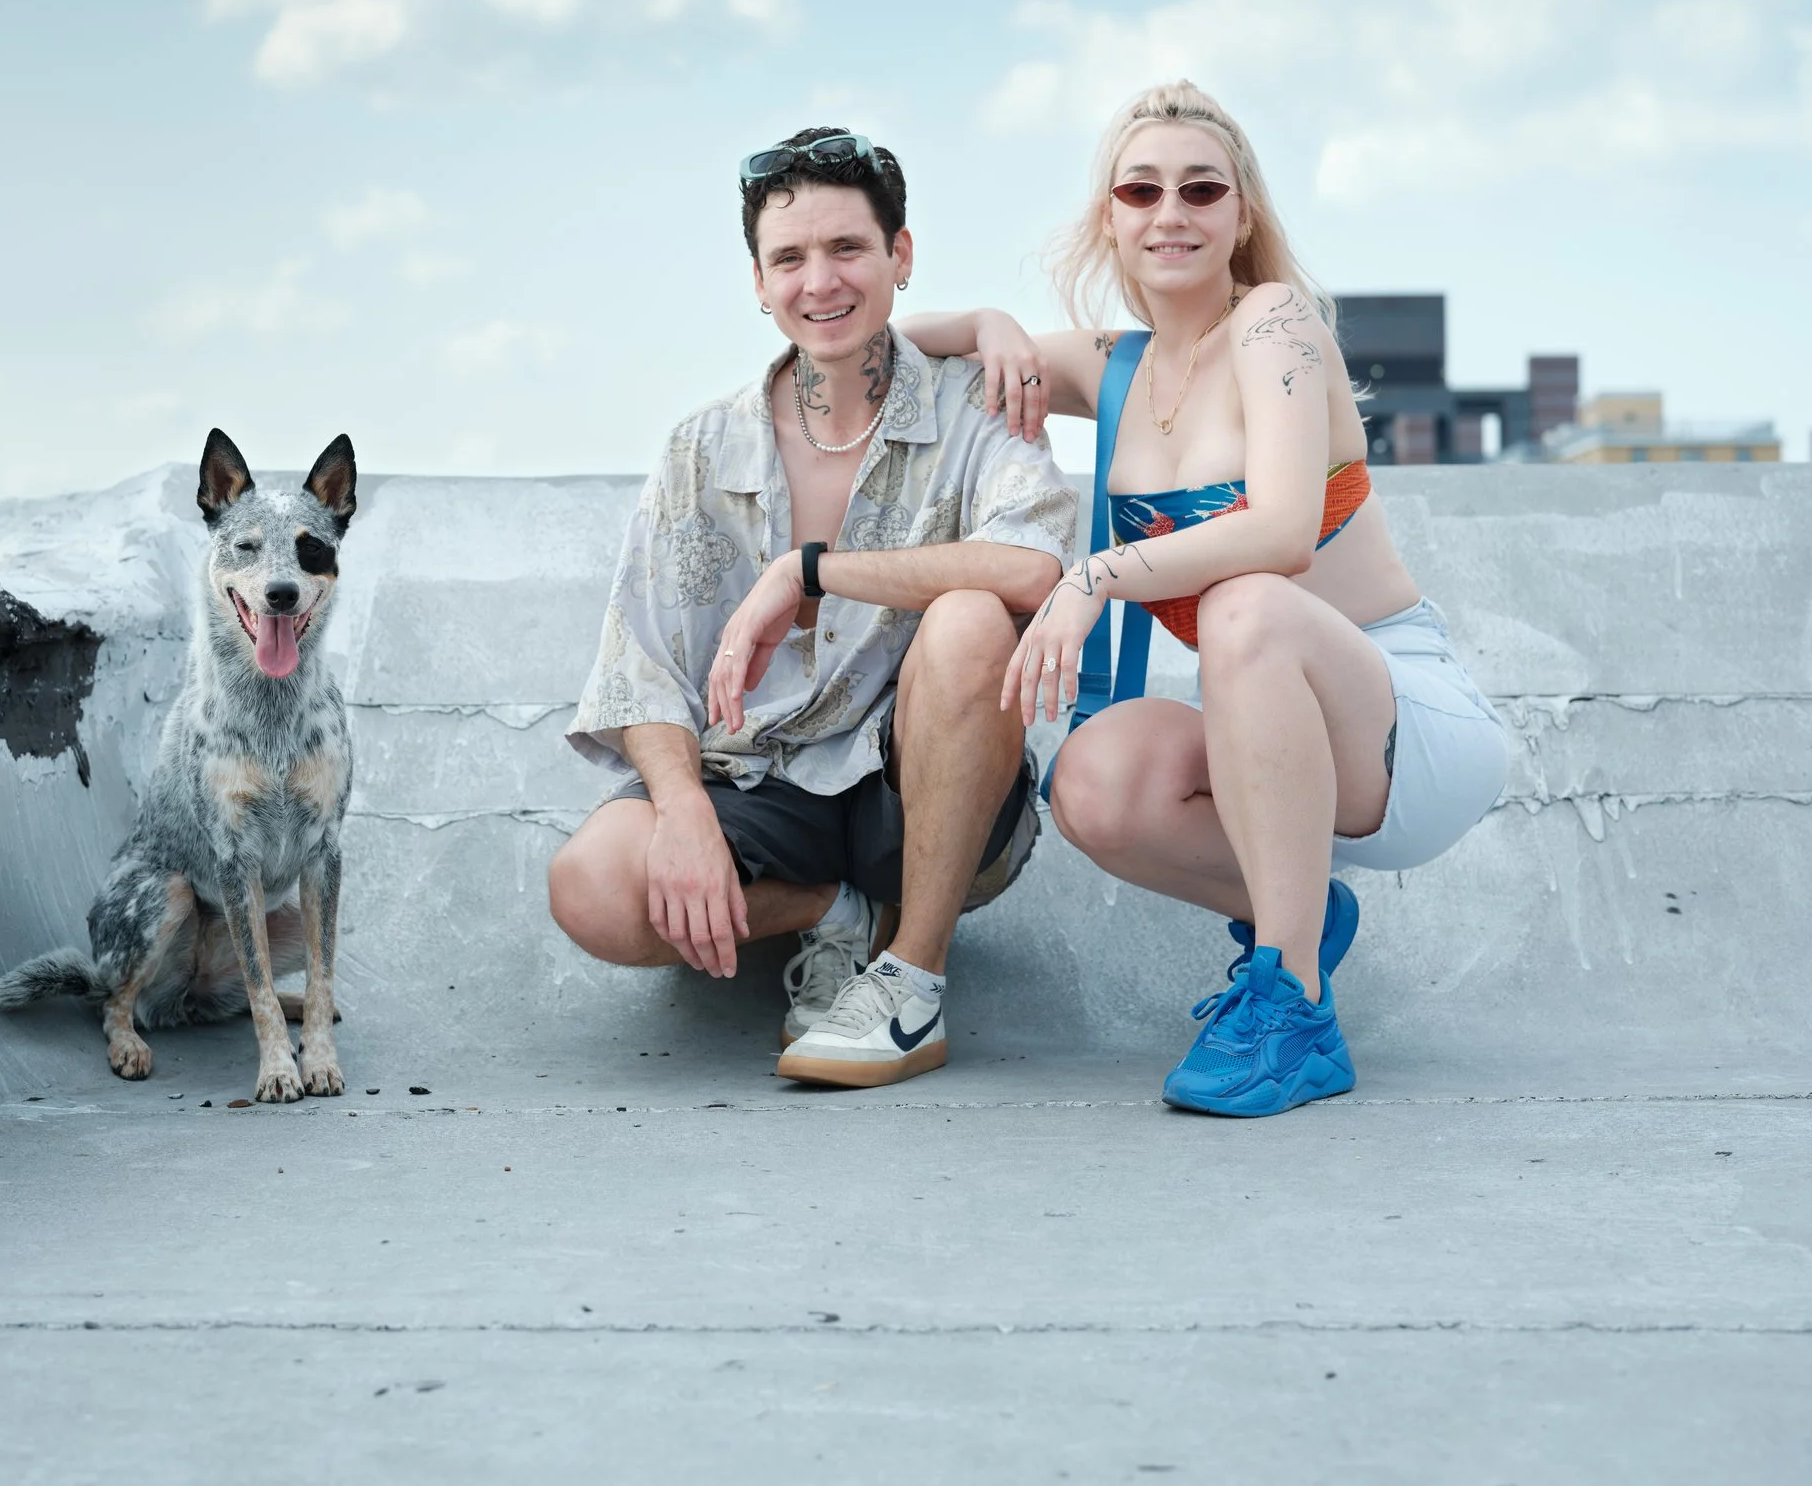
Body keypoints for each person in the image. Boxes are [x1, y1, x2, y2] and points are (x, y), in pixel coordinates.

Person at [900, 80, 1511, 1117]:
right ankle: (1300, 920)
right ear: (1111, 217)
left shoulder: (1275, 323)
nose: (1170, 212)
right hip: (1273, 745)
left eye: (1200, 189)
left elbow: (1277, 536)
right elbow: (902, 349)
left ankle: (1296, 1015)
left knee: (1243, 604)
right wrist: (990, 321)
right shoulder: (1115, 370)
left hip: (1402, 726)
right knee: (1090, 780)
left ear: (1242, 215)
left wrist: (1093, 576)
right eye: (1139, 191)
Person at [549, 128, 1078, 1088]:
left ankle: (913, 976)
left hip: (916, 783)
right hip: (759, 783)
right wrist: (678, 811)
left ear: (899, 257)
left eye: (847, 250)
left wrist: (813, 570)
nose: (819, 281)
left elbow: (1033, 566)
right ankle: (832, 913)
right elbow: (641, 665)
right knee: (588, 885)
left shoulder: (976, 405)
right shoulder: (701, 448)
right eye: (789, 258)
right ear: (758, 281)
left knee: (969, 618)